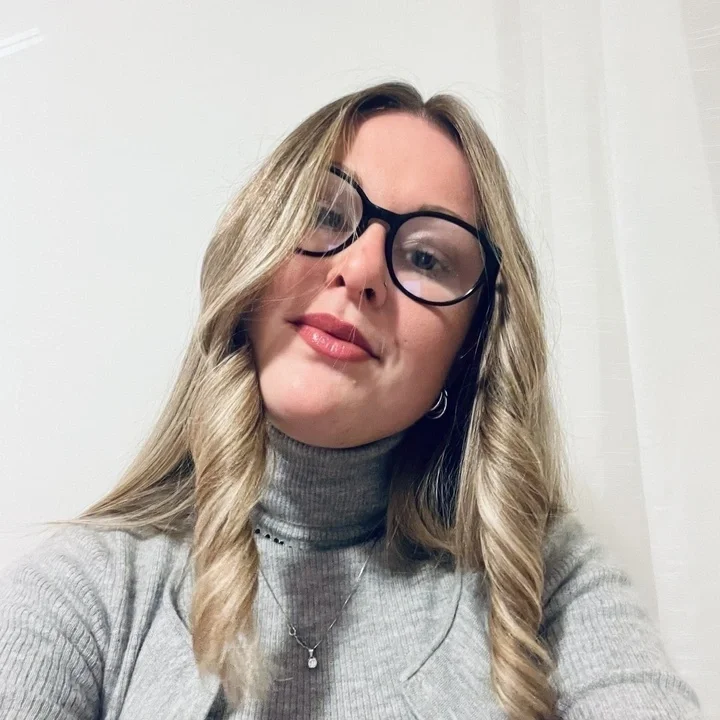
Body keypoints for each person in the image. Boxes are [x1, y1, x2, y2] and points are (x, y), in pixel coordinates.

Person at [0, 82, 703, 720]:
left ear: (468, 351)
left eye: (427, 258)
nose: (360, 269)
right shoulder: (90, 590)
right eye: (324, 214)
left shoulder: (545, 580)